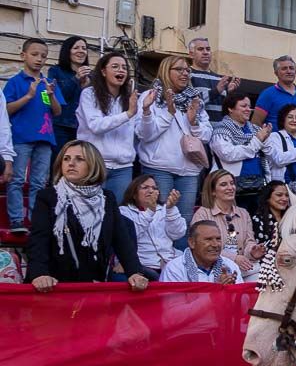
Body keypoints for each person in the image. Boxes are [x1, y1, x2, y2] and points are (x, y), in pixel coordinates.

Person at [26, 140, 148, 291]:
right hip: (53, 286)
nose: (71, 163)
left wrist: (134, 272)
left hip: (94, 286)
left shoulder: (107, 198)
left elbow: (122, 240)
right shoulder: (47, 197)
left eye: (79, 159)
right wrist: (39, 274)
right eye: (66, 158)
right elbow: (38, 239)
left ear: (92, 164)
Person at [136, 56, 211, 244]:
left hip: (189, 171)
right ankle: (158, 264)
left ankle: (178, 266)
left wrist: (194, 123)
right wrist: (169, 114)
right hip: (159, 167)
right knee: (159, 217)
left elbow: (207, 134)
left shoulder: (195, 100)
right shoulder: (150, 97)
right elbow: (144, 134)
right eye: (179, 69)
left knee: (184, 221)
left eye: (187, 70)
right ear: (166, 71)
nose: (185, 73)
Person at [4, 39, 62, 231]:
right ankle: (16, 220)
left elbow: (57, 112)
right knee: (17, 179)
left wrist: (52, 95)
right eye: (35, 54)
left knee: (39, 182)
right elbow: (6, 110)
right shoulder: (15, 82)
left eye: (43, 56)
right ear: (23, 56)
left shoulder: (48, 83)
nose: (39, 59)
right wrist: (28, 96)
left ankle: (36, 219)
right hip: (20, 138)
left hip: (44, 139)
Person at [76, 51, 141, 201]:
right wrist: (128, 114)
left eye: (124, 68)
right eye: (115, 66)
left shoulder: (129, 98)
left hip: (123, 167)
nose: (121, 70)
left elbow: (138, 132)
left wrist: (145, 112)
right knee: (89, 211)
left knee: (116, 214)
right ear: (103, 71)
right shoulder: (89, 94)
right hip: (95, 164)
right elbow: (96, 125)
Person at [193, 169, 266, 281]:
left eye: (232, 183)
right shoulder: (203, 213)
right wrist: (234, 258)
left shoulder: (243, 213)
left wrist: (252, 251)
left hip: (242, 265)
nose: (230, 188)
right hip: (213, 267)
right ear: (213, 191)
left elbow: (249, 241)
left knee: (261, 278)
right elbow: (201, 246)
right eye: (224, 184)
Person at [210, 93, 272, 212]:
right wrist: (257, 141)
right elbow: (228, 154)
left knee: (256, 225)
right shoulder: (221, 129)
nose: (248, 109)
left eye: (249, 106)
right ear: (230, 108)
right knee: (233, 225)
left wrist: (266, 139)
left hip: (258, 186)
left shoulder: (255, 129)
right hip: (231, 188)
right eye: (244, 106)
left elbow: (270, 154)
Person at [118, 175, 186, 278]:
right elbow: (129, 236)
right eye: (145, 187)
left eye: (154, 188)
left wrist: (171, 209)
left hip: (170, 263)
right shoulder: (123, 211)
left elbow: (178, 234)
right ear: (134, 194)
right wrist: (149, 212)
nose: (151, 191)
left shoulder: (165, 209)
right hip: (143, 266)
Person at [159, 220, 242, 284]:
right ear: (192, 243)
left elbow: (243, 302)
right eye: (208, 239)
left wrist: (231, 292)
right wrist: (217, 290)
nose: (215, 244)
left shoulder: (231, 266)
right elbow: (173, 305)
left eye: (218, 239)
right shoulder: (174, 269)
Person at [47, 35, 90, 148]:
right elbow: (58, 97)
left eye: (84, 48)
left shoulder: (91, 76)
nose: (81, 51)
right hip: (60, 125)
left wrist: (87, 86)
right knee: (58, 161)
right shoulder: (55, 71)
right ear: (67, 51)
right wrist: (76, 78)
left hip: (83, 127)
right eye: (76, 48)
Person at [187, 37, 239, 122]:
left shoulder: (219, 78)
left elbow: (226, 109)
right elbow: (190, 103)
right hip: (198, 130)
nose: (205, 52)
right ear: (191, 54)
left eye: (208, 49)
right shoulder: (187, 75)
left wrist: (229, 92)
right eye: (200, 49)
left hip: (219, 132)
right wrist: (216, 91)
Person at [252, 55, 296, 128]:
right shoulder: (268, 94)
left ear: (295, 72)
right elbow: (255, 124)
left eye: (291, 68)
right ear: (276, 73)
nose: (289, 71)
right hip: (273, 138)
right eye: (284, 69)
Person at [252, 180, 291, 247]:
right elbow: (259, 248)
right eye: (279, 195)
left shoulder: (291, 217)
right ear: (268, 198)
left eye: (287, 195)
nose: (284, 199)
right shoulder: (258, 219)